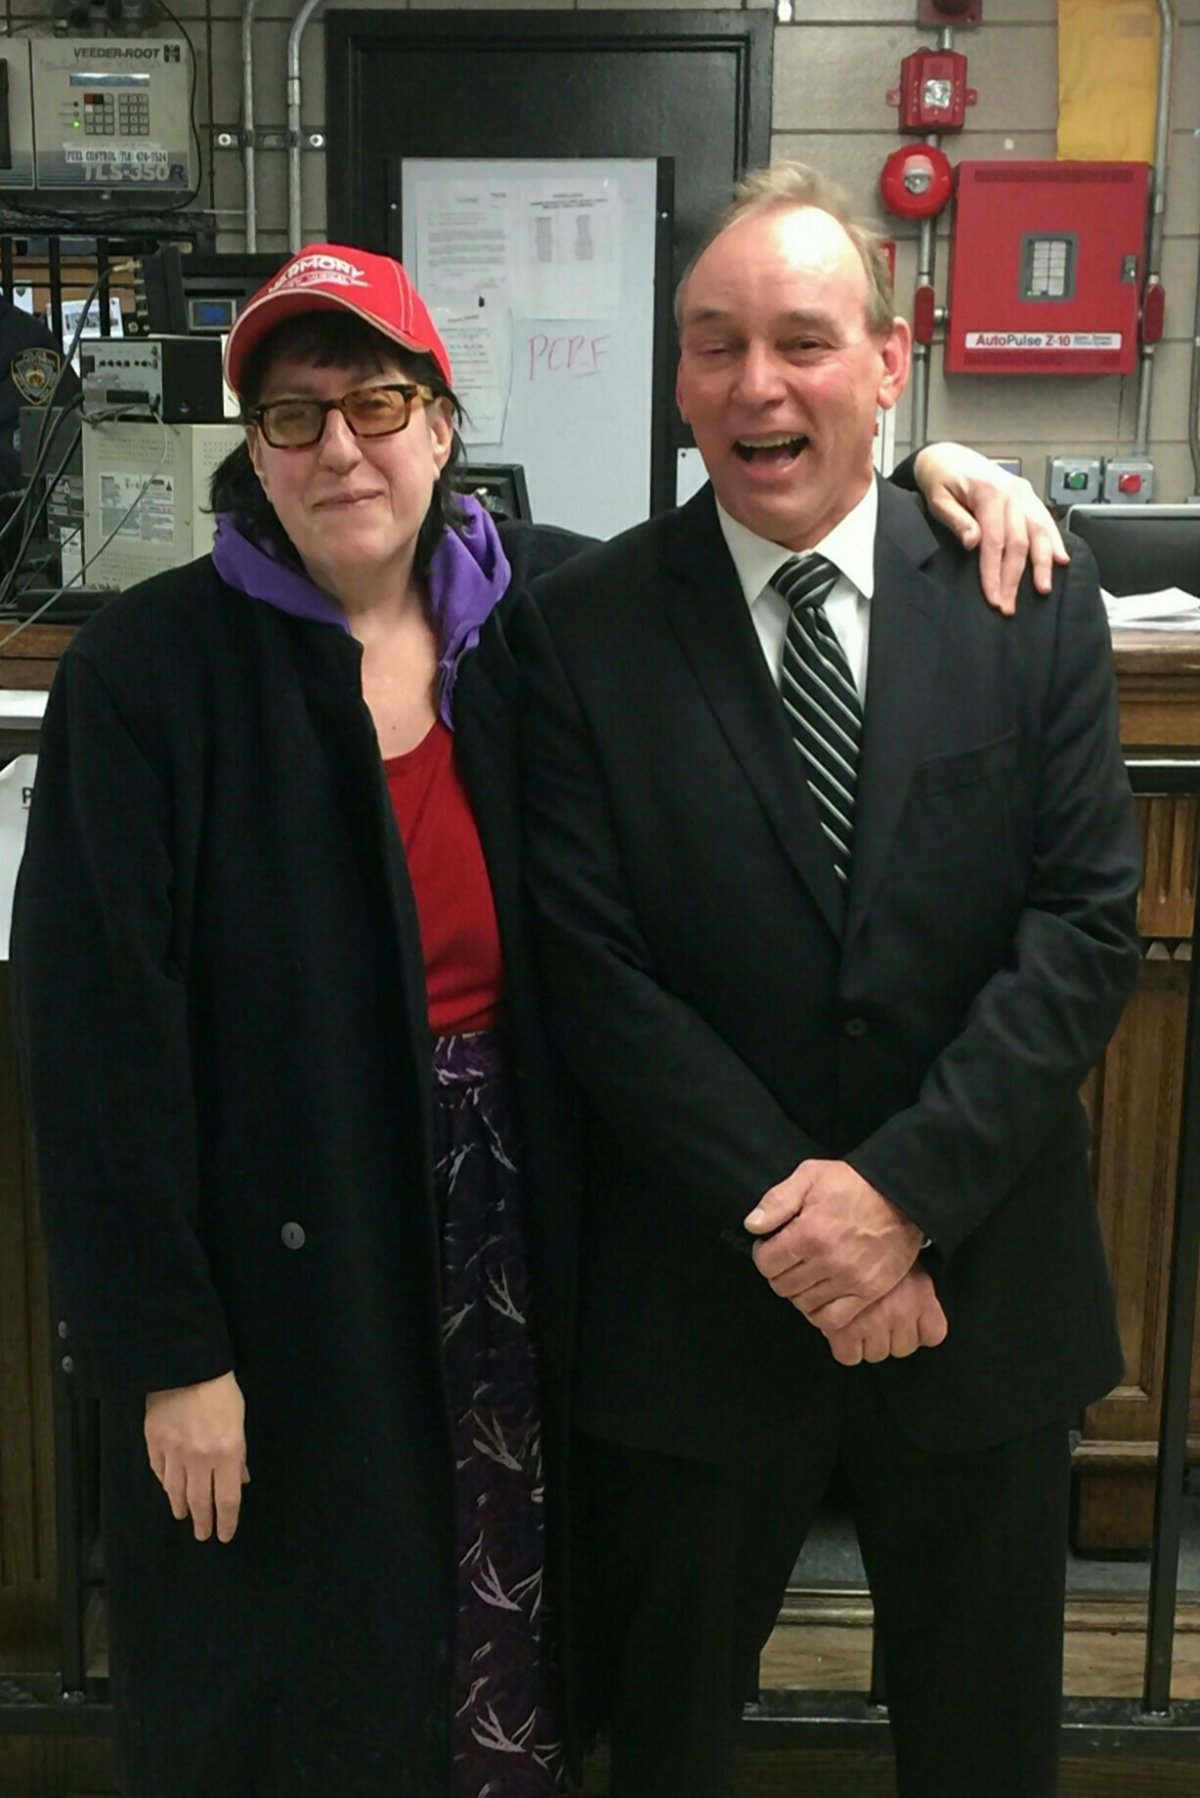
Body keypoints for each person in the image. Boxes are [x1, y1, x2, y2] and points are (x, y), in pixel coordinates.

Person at [12, 236, 1059, 1798]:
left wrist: (939, 475)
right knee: (296, 1648)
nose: (341, 449)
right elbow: (97, 1050)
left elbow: (771, 523)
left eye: (376, 402)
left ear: (442, 420)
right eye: (293, 419)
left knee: (510, 1612)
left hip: (531, 1218)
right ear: (254, 451)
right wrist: (168, 1350)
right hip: (292, 1249)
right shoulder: (150, 675)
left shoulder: (555, 614)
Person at [502, 164, 1143, 1798]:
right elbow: (595, 973)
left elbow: (1081, 928)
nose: (755, 382)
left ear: (889, 357)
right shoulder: (574, 634)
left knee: (987, 1751)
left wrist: (904, 1200)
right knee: (660, 1751)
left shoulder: (1025, 593)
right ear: (679, 380)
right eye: (713, 344)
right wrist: (819, 1224)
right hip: (701, 1300)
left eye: (800, 338)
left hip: (980, 1291)